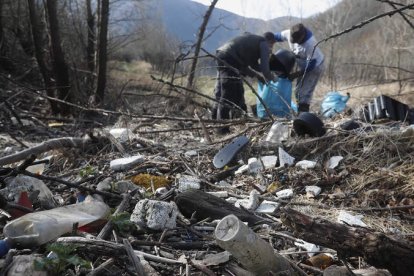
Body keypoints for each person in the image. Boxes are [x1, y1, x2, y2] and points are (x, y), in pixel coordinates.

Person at [212, 32, 276, 133]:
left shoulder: (251, 42)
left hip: (222, 55)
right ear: (271, 42)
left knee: (234, 91)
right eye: (272, 45)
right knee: (227, 94)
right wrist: (273, 78)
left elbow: (248, 66)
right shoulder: (263, 43)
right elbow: (265, 69)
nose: (270, 48)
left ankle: (220, 120)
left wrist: (258, 76)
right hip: (229, 58)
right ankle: (221, 129)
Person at [274, 23, 325, 112]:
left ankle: (303, 115)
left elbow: (311, 65)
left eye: (297, 41)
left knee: (304, 92)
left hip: (315, 66)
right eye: (293, 41)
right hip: (303, 62)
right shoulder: (289, 33)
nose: (296, 43)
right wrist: (265, 42)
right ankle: (300, 112)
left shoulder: (310, 43)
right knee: (297, 92)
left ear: (303, 36)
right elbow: (276, 36)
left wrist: (295, 74)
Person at [256, 49, 296, 118]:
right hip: (268, 113)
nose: (277, 73)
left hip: (279, 115)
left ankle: (273, 114)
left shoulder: (285, 82)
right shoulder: (269, 74)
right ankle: (268, 114)